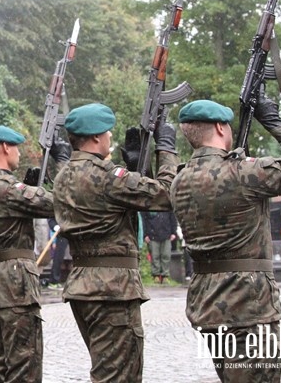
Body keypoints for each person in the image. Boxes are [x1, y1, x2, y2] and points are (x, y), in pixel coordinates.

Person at [170, 96, 281, 382]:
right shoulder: (242, 173)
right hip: (247, 305)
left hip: (207, 303)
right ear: (219, 127)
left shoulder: (180, 180)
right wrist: (275, 123)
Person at [52, 103, 178, 383]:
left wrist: (135, 170)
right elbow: (167, 194)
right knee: (118, 376)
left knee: (109, 369)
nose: (110, 138)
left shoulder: (62, 177)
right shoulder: (107, 177)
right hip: (112, 290)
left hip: (83, 285)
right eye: (107, 133)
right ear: (96, 137)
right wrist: (166, 149)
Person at [0, 125, 67, 383]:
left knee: (5, 366)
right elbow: (64, 201)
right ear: (5, 148)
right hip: (16, 284)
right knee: (25, 367)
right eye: (17, 148)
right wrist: (64, 163)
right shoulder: (8, 188)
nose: (20, 154)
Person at [141, 210, 177, 284]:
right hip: (152, 235)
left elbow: (173, 218)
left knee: (166, 255)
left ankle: (165, 276)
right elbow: (144, 220)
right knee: (155, 256)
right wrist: (145, 235)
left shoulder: (167, 204)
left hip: (167, 234)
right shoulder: (149, 205)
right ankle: (156, 275)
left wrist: (173, 232)